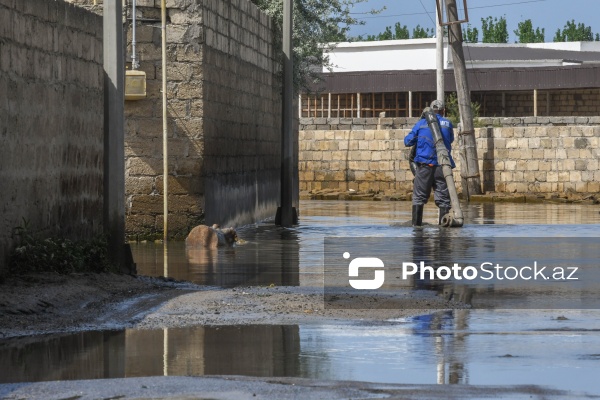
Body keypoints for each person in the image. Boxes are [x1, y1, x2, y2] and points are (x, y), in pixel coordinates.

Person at [404, 100, 455, 226]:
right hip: (443, 167)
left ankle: (417, 230)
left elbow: (408, 141)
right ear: (443, 111)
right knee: (443, 200)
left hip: (424, 166)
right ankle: (443, 233)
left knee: (418, 198)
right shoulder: (448, 124)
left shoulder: (421, 123)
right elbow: (451, 140)